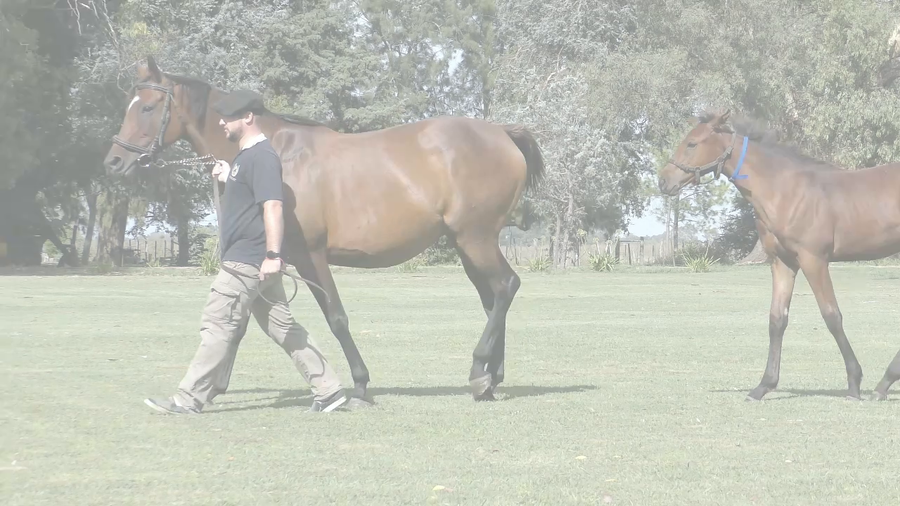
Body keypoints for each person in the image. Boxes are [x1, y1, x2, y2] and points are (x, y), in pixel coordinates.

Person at [144, 89, 348, 414]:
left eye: (228, 117)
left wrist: (272, 255)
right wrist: (228, 175)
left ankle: (187, 399)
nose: (222, 122)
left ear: (248, 117)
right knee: (284, 329)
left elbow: (273, 206)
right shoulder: (246, 158)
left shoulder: (263, 157)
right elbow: (249, 190)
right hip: (255, 263)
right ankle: (330, 390)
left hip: (248, 263)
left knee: (217, 325)